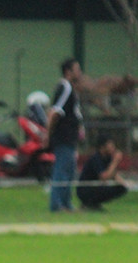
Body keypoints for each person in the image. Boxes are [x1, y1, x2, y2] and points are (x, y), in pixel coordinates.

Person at [44, 57, 84, 212]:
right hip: (64, 137)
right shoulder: (65, 87)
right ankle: (57, 204)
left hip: (71, 138)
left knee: (69, 171)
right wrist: (48, 134)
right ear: (68, 72)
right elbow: (54, 112)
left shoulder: (71, 89)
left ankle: (66, 204)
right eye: (77, 70)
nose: (80, 73)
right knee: (61, 170)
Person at [76, 136, 129, 211]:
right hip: (86, 189)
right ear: (103, 147)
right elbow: (104, 177)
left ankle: (94, 204)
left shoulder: (108, 158)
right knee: (107, 189)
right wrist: (115, 162)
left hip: (97, 187)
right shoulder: (96, 159)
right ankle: (88, 203)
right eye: (111, 146)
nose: (113, 148)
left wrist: (125, 184)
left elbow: (113, 174)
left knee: (121, 188)